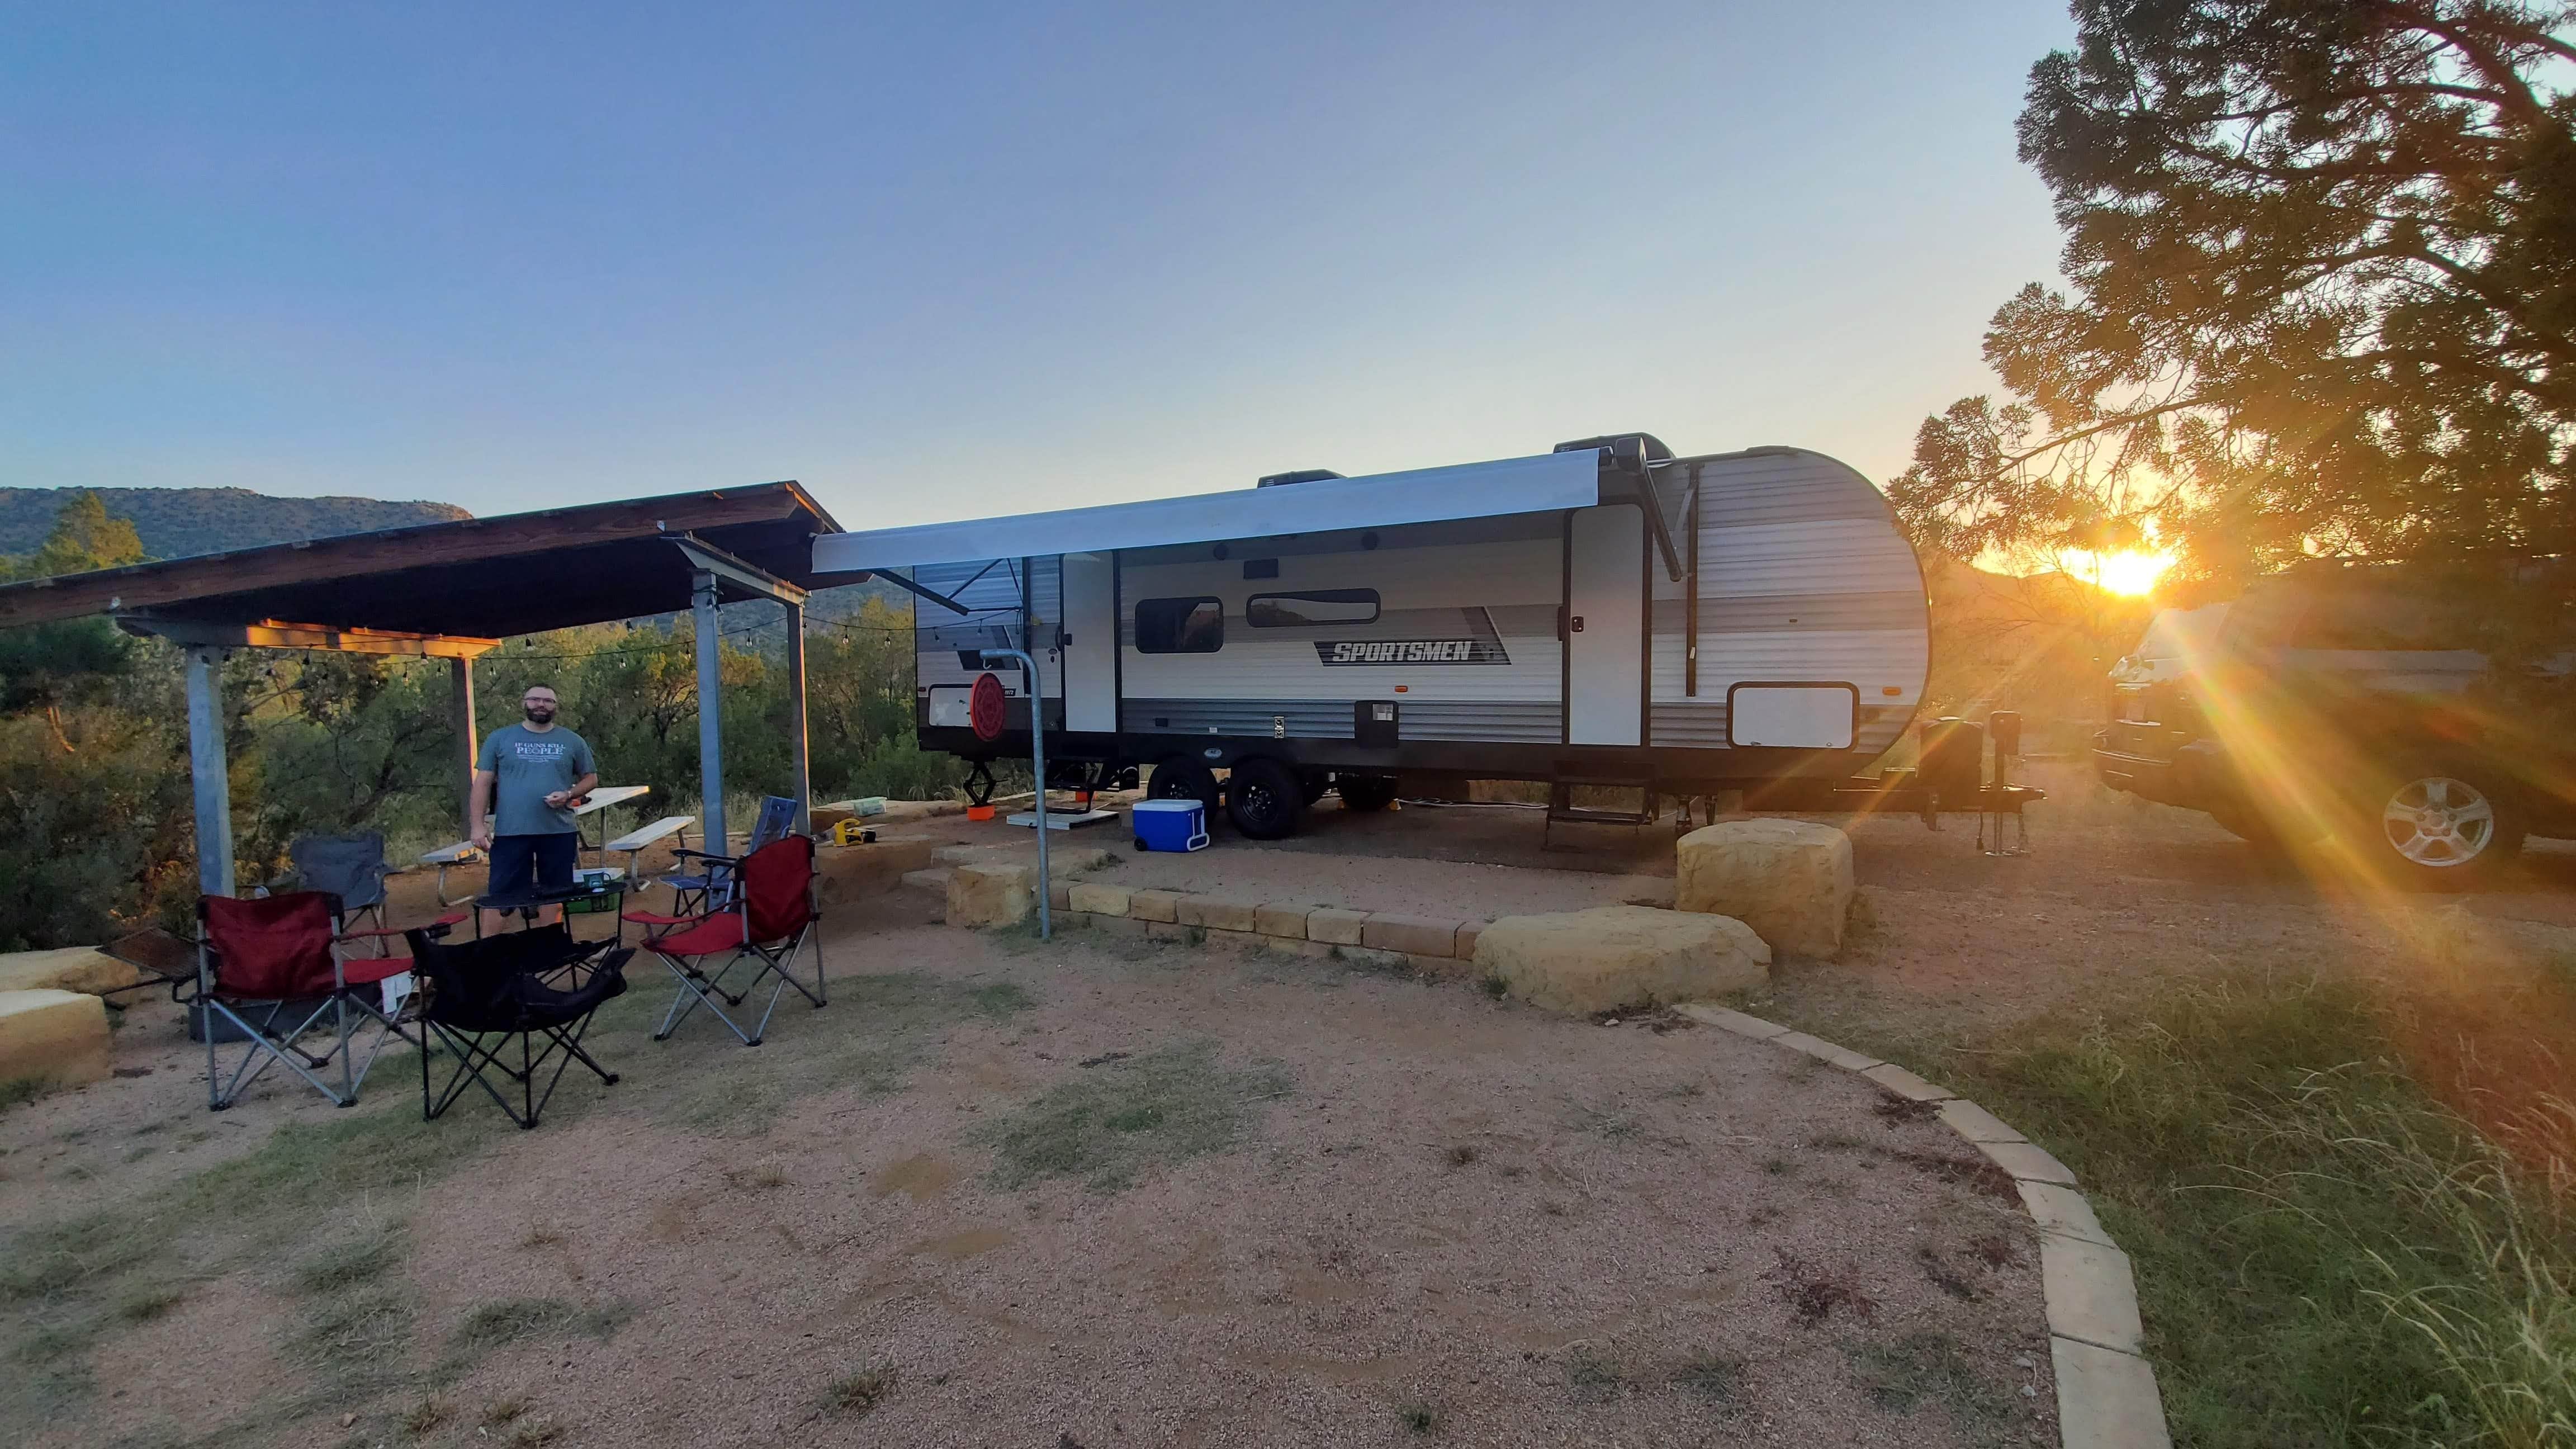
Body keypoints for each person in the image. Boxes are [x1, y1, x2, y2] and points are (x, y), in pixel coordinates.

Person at [471, 684, 598, 926]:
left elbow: (591, 778)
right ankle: (488, 953)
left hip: (559, 831)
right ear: (524, 703)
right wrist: (477, 825)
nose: (541, 705)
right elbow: (483, 783)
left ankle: (550, 949)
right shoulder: (500, 738)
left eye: (548, 701)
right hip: (511, 832)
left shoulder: (572, 740)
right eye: (535, 700)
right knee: (500, 897)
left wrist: (568, 794)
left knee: (555, 895)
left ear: (556, 707)